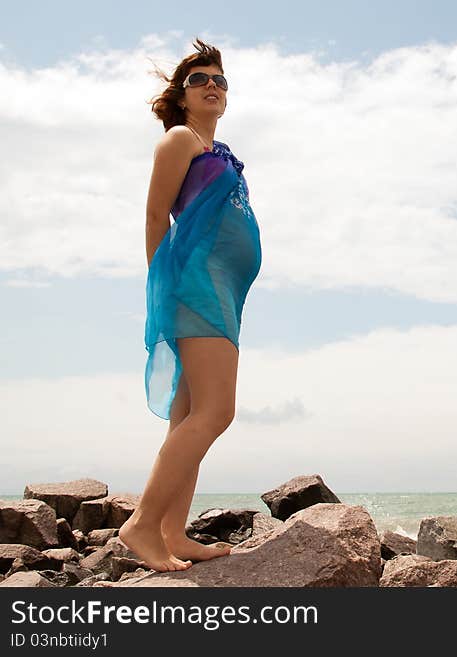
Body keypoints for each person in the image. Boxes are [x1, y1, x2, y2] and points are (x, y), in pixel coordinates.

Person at [119, 39, 262, 572]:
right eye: (200, 79)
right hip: (194, 285)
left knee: (187, 414)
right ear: (180, 96)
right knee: (216, 411)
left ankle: (173, 531)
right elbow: (157, 218)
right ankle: (141, 525)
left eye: (219, 81)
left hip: (220, 289)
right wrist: (165, 286)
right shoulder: (179, 139)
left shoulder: (215, 149)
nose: (211, 86)